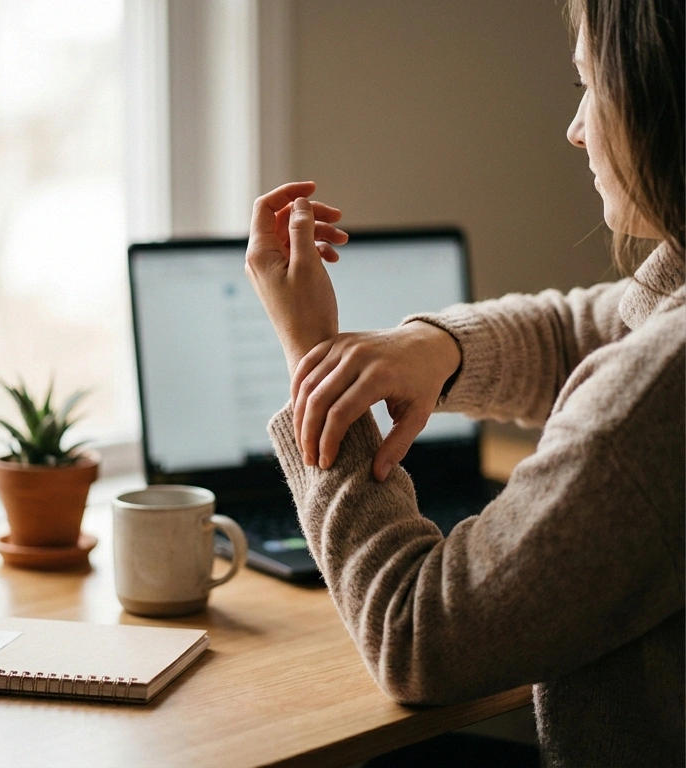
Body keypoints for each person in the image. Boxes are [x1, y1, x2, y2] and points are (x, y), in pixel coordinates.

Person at [242, 0, 682, 765]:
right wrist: (434, 347)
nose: (576, 128)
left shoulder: (653, 401)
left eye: (589, 87)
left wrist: (311, 355)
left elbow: (420, 638)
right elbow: (595, 326)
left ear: (659, 94)